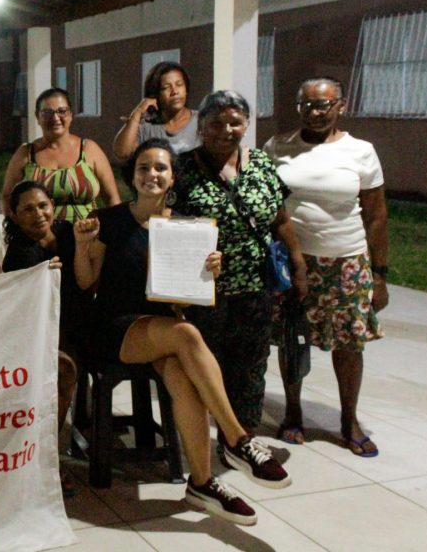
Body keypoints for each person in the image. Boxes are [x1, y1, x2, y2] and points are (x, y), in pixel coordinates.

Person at [73, 139, 292, 526]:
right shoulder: (108, 220)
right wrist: (82, 246)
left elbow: (187, 299)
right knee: (188, 336)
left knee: (181, 374)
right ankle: (238, 439)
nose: (152, 175)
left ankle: (202, 484)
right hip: (113, 328)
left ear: (173, 176)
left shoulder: (185, 226)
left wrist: (208, 272)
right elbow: (86, 281)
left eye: (160, 168)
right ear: (132, 175)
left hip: (161, 330)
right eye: (144, 167)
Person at [172, 91, 308, 446]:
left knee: (251, 365)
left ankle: (243, 440)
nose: (225, 130)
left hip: (256, 288)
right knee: (206, 367)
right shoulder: (182, 169)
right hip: (204, 290)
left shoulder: (261, 164)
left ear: (246, 124)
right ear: (201, 127)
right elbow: (164, 224)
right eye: (215, 123)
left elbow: (280, 219)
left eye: (235, 122)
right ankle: (202, 443)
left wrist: (298, 262)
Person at [263, 77, 388, 456]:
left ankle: (348, 421)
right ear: (298, 107)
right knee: (291, 338)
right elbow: (269, 204)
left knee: (349, 345)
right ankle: (293, 412)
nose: (316, 113)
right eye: (308, 105)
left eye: (324, 105)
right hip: (293, 261)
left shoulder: (361, 151)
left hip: (346, 261)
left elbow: (377, 215)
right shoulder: (277, 146)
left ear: (341, 106)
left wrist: (379, 276)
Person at [1, 180, 85, 496]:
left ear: (52, 204)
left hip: (79, 325)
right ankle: (44, 458)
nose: (38, 214)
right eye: (27, 209)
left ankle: (48, 453)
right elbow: (26, 314)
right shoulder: (20, 255)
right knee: (61, 372)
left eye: (42, 205)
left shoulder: (68, 233)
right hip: (40, 335)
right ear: (14, 215)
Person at [1, 87, 120, 222]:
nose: (55, 118)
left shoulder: (90, 150)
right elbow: (7, 196)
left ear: (70, 115)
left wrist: (115, 232)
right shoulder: (26, 154)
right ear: (37, 117)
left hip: (87, 236)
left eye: (62, 111)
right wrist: (16, 227)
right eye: (47, 113)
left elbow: (111, 198)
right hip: (40, 239)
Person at [112, 61, 200, 162]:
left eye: (179, 84)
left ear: (186, 89)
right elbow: (122, 153)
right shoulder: (147, 125)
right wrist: (137, 113)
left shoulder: (201, 121)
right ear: (155, 94)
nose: (174, 91)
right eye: (166, 87)